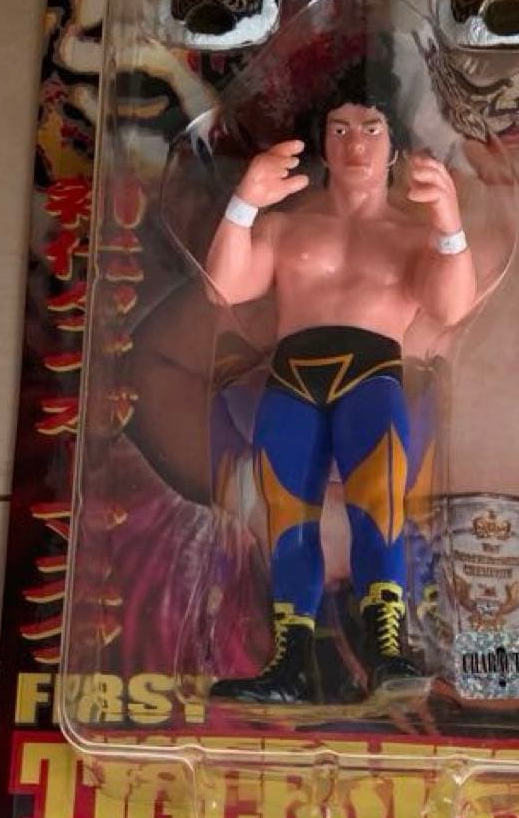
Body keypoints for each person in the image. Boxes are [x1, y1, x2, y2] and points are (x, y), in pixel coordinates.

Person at [203, 64, 477, 703]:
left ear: (394, 144)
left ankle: (388, 654)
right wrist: (243, 203)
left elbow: (451, 307)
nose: (356, 144)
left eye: (372, 128)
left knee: (378, 509)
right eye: (341, 128)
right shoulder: (287, 226)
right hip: (290, 380)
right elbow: (224, 287)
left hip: (372, 378)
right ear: (321, 142)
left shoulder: (411, 235)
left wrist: (449, 224)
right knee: (286, 519)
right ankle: (288, 665)